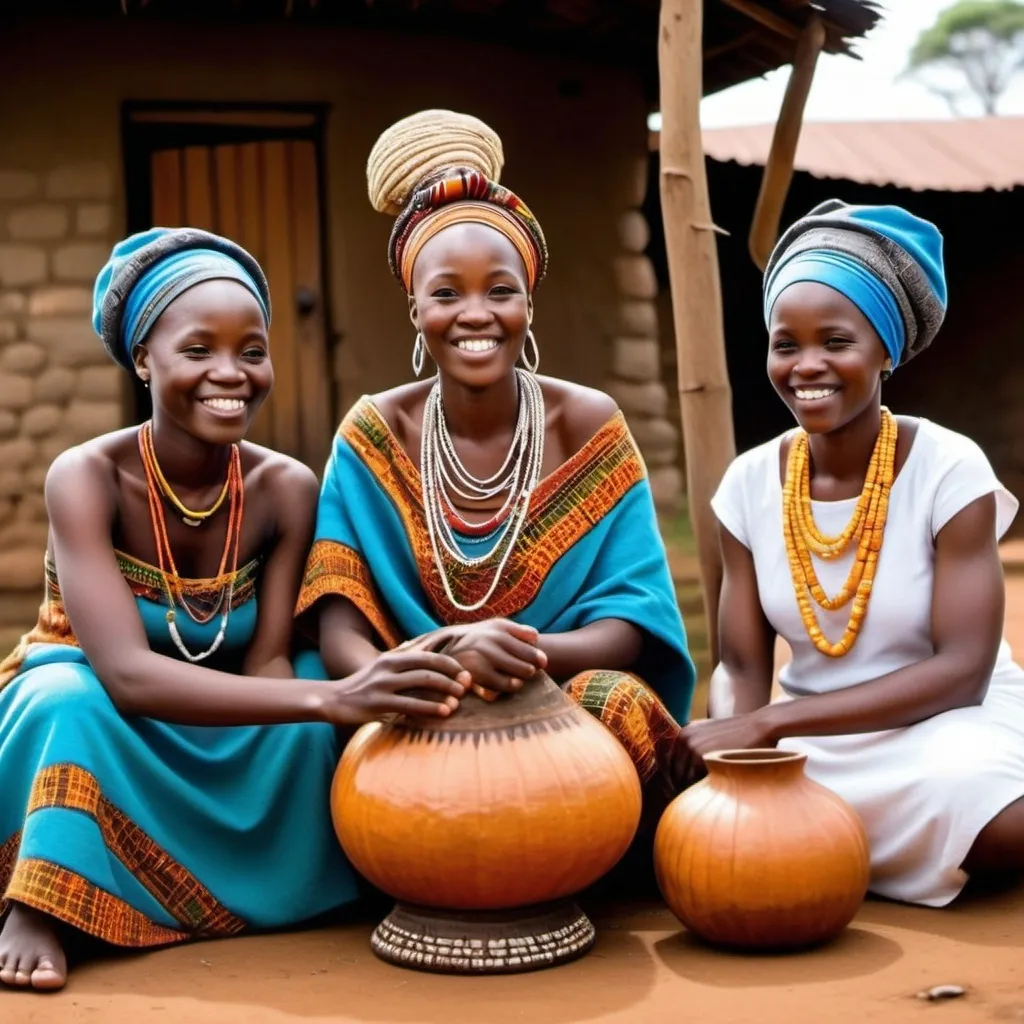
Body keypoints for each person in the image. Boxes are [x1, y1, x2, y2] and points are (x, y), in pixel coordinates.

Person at [0, 227, 469, 991]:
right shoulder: (83, 477)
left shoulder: (286, 488)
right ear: (143, 359)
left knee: (314, 701)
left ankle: (280, 888)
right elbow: (124, 675)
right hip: (112, 722)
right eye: (198, 350)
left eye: (251, 350)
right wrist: (334, 695)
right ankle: (42, 898)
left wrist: (340, 695)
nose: (231, 373)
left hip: (228, 711)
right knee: (66, 698)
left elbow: (271, 662)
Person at [295, 109, 694, 807]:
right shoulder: (373, 433)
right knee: (325, 732)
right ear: (415, 309)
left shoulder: (588, 425)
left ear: (529, 303)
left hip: (561, 697)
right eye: (446, 293)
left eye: (500, 290)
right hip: (416, 695)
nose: (475, 313)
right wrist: (440, 664)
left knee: (618, 703)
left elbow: (632, 624)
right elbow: (341, 627)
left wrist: (514, 656)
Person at [681, 199, 1024, 906]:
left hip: (945, 728)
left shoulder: (948, 469)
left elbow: (962, 673)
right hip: (820, 743)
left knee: (993, 818)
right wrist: (740, 754)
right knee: (688, 812)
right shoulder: (748, 483)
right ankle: (823, 844)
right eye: (786, 343)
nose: (807, 365)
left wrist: (771, 721)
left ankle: (831, 850)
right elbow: (743, 665)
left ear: (885, 351)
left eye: (835, 341)